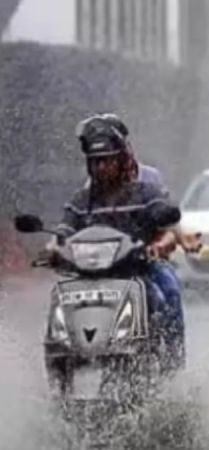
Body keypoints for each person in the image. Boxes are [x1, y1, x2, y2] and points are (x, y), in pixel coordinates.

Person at [55, 115, 186, 370]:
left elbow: (168, 230)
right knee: (59, 297)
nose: (101, 168)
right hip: (90, 275)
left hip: (141, 270)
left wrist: (157, 246)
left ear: (121, 158)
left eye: (107, 161)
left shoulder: (147, 192)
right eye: (96, 162)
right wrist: (53, 250)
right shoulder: (81, 201)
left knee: (167, 290)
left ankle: (171, 363)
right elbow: (64, 233)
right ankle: (63, 354)